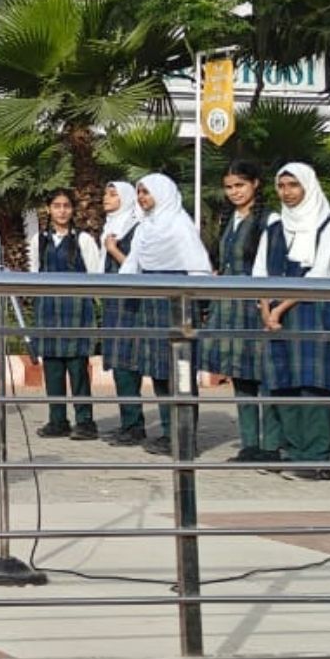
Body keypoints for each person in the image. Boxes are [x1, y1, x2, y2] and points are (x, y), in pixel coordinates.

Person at [259, 162, 330, 480]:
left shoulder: (328, 227)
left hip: (312, 313)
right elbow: (260, 273)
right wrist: (265, 309)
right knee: (283, 383)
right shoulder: (275, 227)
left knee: (313, 386)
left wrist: (278, 310)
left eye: (293, 185)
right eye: (281, 185)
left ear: (307, 186)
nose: (287, 192)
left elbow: (319, 275)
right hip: (275, 316)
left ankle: (316, 458)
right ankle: (293, 452)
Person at [117, 173, 214, 457]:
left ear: (162, 193)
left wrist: (201, 303)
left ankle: (185, 437)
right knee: (159, 373)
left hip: (178, 303)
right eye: (139, 192)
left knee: (180, 371)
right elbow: (133, 264)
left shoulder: (179, 224)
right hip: (151, 303)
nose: (142, 198)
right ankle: (168, 433)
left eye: (146, 192)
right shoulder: (146, 227)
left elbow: (198, 266)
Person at [197, 159, 277, 463]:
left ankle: (271, 444)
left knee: (264, 374)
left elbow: (271, 264)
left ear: (255, 183)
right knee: (240, 374)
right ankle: (249, 443)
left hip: (256, 304)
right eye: (229, 187)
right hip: (229, 304)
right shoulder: (227, 219)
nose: (234, 192)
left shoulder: (268, 220)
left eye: (240, 185)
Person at [30, 187, 103, 440]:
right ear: (49, 209)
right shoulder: (39, 240)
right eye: (57, 206)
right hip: (48, 310)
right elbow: (34, 274)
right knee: (52, 368)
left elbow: (95, 275)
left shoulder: (83, 240)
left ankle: (85, 421)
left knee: (78, 368)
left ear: (73, 210)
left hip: (76, 310)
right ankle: (57, 420)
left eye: (66, 206)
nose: (62, 211)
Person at [96, 180, 149, 448]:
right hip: (113, 304)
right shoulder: (111, 227)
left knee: (127, 364)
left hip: (130, 306)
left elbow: (137, 268)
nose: (106, 198)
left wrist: (114, 250)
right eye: (106, 194)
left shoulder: (136, 228)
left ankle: (135, 426)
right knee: (119, 366)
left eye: (113, 194)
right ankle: (128, 423)